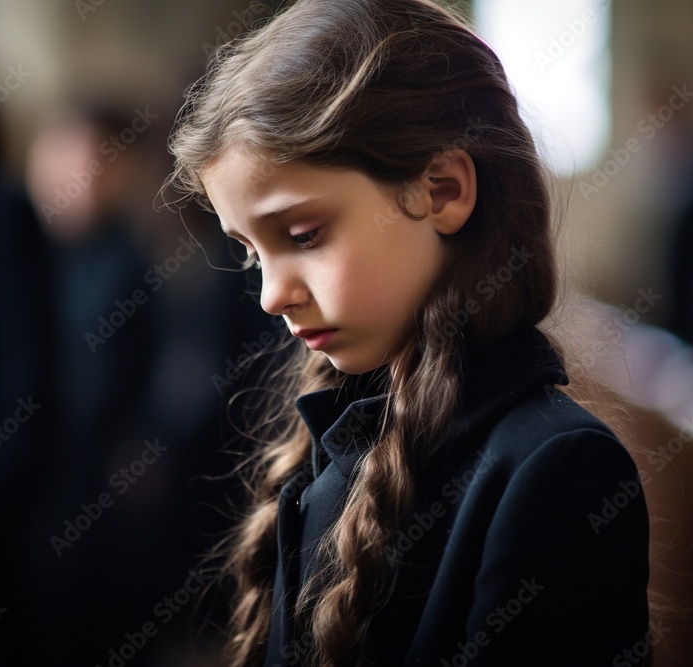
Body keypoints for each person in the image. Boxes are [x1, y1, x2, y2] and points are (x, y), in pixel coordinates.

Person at [167, 0, 650, 665]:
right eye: (252, 252)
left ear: (445, 190)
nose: (272, 293)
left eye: (303, 235)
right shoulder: (339, 435)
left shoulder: (558, 468)